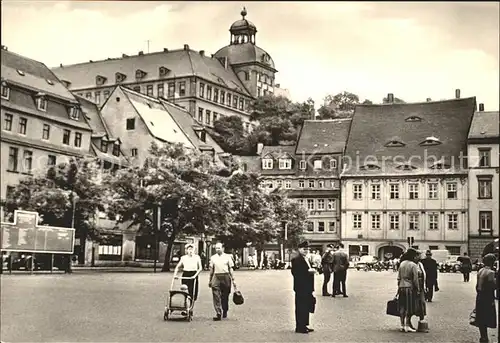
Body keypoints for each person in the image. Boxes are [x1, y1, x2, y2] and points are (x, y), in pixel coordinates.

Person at [291, 241, 315, 334]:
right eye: (304, 249)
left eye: (308, 249)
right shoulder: (297, 259)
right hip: (301, 287)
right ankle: (300, 327)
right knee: (301, 307)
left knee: (306, 306)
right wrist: (308, 272)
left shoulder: (306, 258)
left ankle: (304, 325)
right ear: (299, 249)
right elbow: (296, 274)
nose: (306, 251)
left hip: (307, 287)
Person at [208, 242, 236, 321]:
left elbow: (231, 268)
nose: (217, 250)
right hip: (216, 276)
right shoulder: (213, 258)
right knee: (216, 295)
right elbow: (211, 270)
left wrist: (233, 279)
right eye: (216, 248)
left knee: (225, 295)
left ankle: (225, 310)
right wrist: (210, 280)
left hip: (225, 276)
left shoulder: (228, 257)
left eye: (219, 248)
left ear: (222, 248)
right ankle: (218, 312)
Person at [474, 253, 497, 343]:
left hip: (479, 296)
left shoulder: (480, 270)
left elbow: (477, 286)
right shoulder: (491, 273)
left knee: (480, 317)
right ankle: (485, 338)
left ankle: (483, 337)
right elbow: (492, 287)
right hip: (487, 297)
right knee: (487, 316)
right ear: (492, 262)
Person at [396, 248, 420, 333]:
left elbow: (398, 278)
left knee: (402, 306)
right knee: (409, 307)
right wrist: (418, 289)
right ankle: (407, 325)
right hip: (409, 287)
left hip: (401, 286)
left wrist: (398, 287)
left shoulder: (402, 264)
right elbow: (415, 279)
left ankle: (402, 325)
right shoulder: (413, 265)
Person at [412, 252, 428, 332]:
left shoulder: (420, 264)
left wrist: (424, 286)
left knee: (422, 303)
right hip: (413, 287)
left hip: (421, 286)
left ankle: (422, 321)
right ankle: (408, 323)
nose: (419, 257)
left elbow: (424, 275)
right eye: (418, 256)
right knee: (411, 304)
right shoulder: (412, 264)